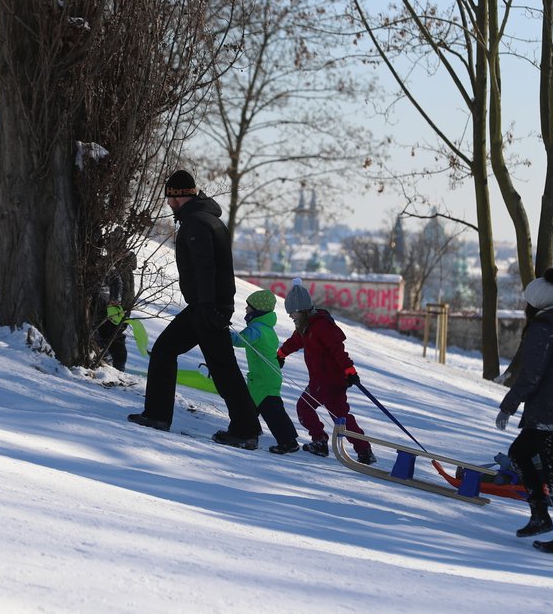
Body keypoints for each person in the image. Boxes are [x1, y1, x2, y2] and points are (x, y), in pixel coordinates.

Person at [128, 170, 261, 449]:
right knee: (180, 354)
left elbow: (206, 268)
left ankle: (244, 430)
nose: (167, 203)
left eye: (169, 197)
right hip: (206, 305)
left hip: (206, 306)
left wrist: (210, 307)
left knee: (218, 366)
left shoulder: (196, 223)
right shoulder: (206, 219)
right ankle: (160, 416)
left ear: (178, 196)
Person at [495, 268, 553, 559]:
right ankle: (547, 521)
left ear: (532, 303)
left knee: (538, 464)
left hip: (551, 412)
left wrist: (508, 406)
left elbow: (531, 375)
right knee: (530, 458)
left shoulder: (541, 329)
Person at [277, 278, 376, 465]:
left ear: (302, 310)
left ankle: (319, 442)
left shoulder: (321, 326)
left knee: (304, 407)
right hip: (330, 381)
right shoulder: (305, 328)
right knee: (341, 417)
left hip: (326, 381)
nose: (291, 316)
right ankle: (364, 450)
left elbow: (338, 351)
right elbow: (294, 342)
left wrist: (350, 371)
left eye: (292, 313)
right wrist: (280, 354)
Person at [231, 289, 300, 454]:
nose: (246, 310)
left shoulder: (257, 329)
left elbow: (239, 341)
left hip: (262, 379)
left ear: (256, 310)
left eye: (249, 307)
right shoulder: (268, 329)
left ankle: (288, 441)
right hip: (267, 377)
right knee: (252, 408)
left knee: (271, 411)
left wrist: (222, 331)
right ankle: (246, 434)